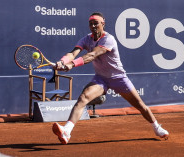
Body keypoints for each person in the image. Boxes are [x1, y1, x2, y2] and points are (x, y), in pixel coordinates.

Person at [52, 12, 168, 144]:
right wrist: (62, 61)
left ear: (103, 24)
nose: (93, 26)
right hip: (101, 79)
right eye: (91, 23)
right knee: (83, 98)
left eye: (96, 23)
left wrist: (71, 64)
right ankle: (66, 131)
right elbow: (73, 52)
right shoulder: (86, 39)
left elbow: (92, 55)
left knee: (141, 106)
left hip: (118, 78)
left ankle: (157, 127)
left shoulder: (109, 39)